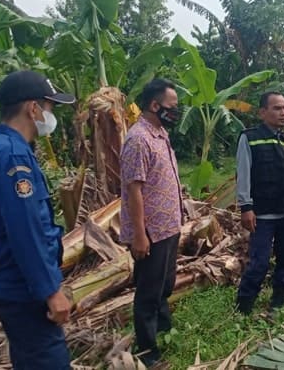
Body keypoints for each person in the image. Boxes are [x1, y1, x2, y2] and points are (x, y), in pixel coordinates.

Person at [0, 70, 76, 369]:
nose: (50, 115)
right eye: (50, 107)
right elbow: (25, 232)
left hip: (13, 287)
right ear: (33, 108)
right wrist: (51, 291)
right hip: (25, 291)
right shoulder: (14, 158)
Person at [119, 78, 183, 367]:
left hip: (169, 226)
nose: (176, 112)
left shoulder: (160, 133)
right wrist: (140, 235)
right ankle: (147, 351)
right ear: (155, 105)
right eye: (173, 107)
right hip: (151, 231)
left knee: (164, 285)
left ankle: (164, 330)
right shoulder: (138, 139)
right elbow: (133, 189)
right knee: (148, 291)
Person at [235, 92, 284, 315]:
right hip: (262, 215)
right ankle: (244, 306)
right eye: (277, 108)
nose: (283, 113)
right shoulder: (250, 138)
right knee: (260, 262)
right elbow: (243, 174)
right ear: (262, 112)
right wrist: (246, 207)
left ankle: (279, 303)